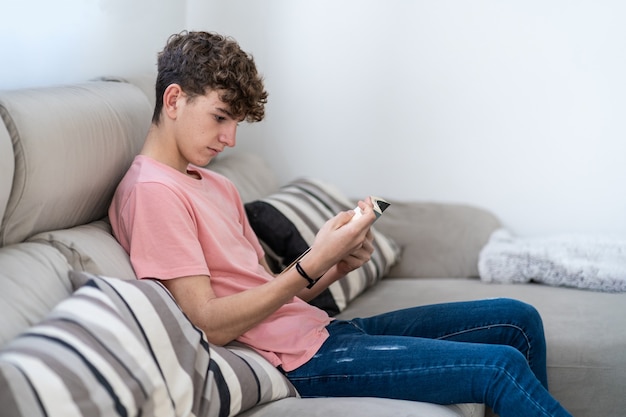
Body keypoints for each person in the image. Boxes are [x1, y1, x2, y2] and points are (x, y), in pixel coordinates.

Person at [109, 30, 572, 417]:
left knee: (519, 319)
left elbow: (265, 291)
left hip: (322, 332)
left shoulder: (216, 184)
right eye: (220, 117)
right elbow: (209, 325)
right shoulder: (153, 192)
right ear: (173, 100)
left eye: (237, 122)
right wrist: (311, 265)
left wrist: (335, 264)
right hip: (299, 361)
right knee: (499, 367)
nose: (230, 138)